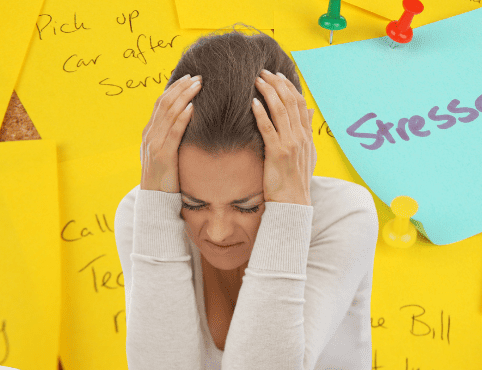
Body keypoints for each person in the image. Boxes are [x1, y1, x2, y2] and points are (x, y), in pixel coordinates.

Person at [113, 24, 379, 370]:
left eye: (247, 205)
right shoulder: (146, 209)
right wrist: (156, 200)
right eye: (193, 204)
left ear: (292, 159)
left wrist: (289, 209)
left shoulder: (343, 214)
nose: (219, 233)